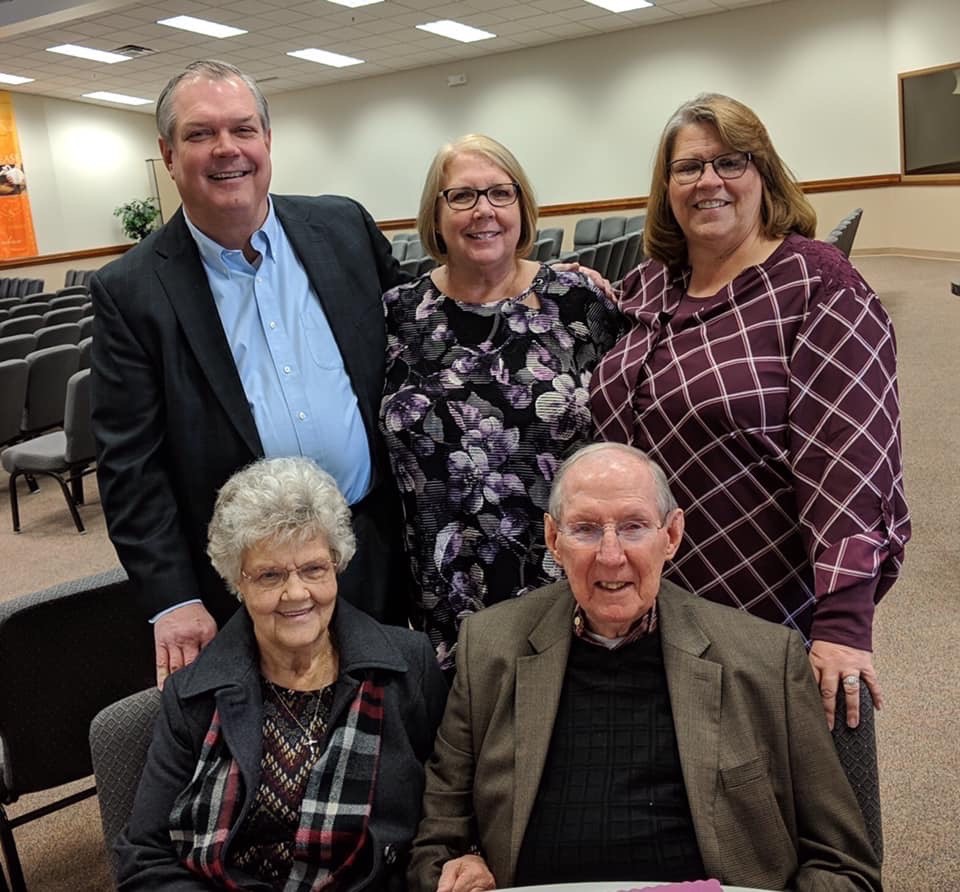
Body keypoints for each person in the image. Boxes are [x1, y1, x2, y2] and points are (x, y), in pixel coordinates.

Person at [407, 443, 881, 892]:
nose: (611, 556)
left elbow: (844, 865)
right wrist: (458, 863)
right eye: (586, 529)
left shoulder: (764, 659)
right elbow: (435, 844)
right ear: (554, 539)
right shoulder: (489, 648)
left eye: (633, 527)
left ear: (671, 535)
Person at [590, 93, 910, 736]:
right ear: (667, 186)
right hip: (644, 598)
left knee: (761, 806)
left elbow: (850, 460)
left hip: (762, 603)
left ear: (763, 173)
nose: (708, 181)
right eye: (687, 168)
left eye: (729, 161)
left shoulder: (819, 286)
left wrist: (844, 624)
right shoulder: (653, 282)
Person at [91, 60, 408, 689]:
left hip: (371, 540)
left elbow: (423, 328)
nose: (227, 149)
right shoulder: (131, 290)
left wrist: (531, 287)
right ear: (169, 153)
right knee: (276, 747)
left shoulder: (343, 227)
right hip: (248, 576)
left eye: (242, 128)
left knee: (399, 717)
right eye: (201, 134)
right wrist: (172, 596)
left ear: (268, 140)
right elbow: (130, 465)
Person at [117, 457, 448, 890]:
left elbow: (448, 812)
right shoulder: (194, 695)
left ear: (337, 564)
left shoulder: (408, 665)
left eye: (313, 569)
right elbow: (145, 856)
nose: (296, 593)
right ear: (238, 581)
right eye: (270, 575)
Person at [380, 134, 621, 673]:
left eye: (499, 193)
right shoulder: (395, 315)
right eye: (461, 196)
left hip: (564, 581)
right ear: (435, 215)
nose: (483, 211)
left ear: (522, 206)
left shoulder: (579, 302)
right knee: (464, 745)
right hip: (442, 589)